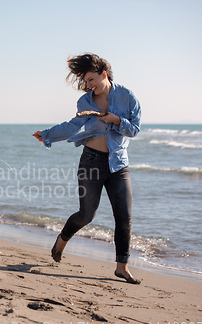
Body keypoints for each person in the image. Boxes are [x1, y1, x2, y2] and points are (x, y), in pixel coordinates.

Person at [33, 53, 142, 284]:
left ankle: (122, 267)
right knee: (86, 215)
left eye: (92, 79)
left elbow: (135, 130)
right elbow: (73, 125)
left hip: (119, 164)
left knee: (124, 217)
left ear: (104, 74)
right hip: (91, 161)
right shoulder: (85, 102)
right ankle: (62, 239)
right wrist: (47, 134)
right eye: (86, 81)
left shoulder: (127, 96)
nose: (88, 85)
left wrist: (115, 120)